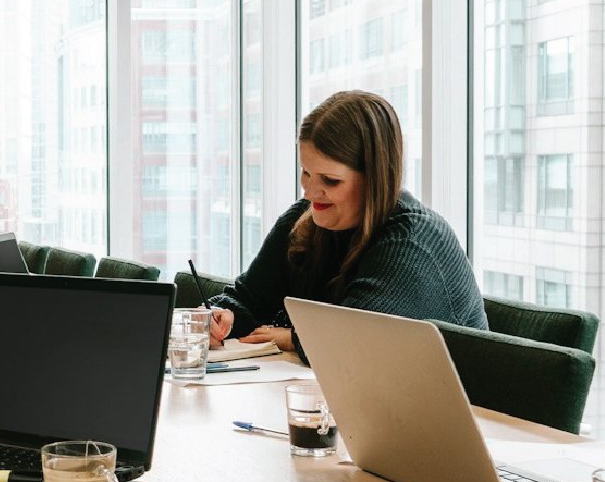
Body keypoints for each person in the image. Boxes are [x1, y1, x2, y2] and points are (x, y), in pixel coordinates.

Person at [207, 89, 485, 355]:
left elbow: (351, 341)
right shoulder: (304, 217)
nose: (310, 191)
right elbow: (250, 299)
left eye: (330, 180)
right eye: (306, 172)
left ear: (374, 179)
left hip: (459, 403)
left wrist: (294, 337)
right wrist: (222, 317)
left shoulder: (412, 241)